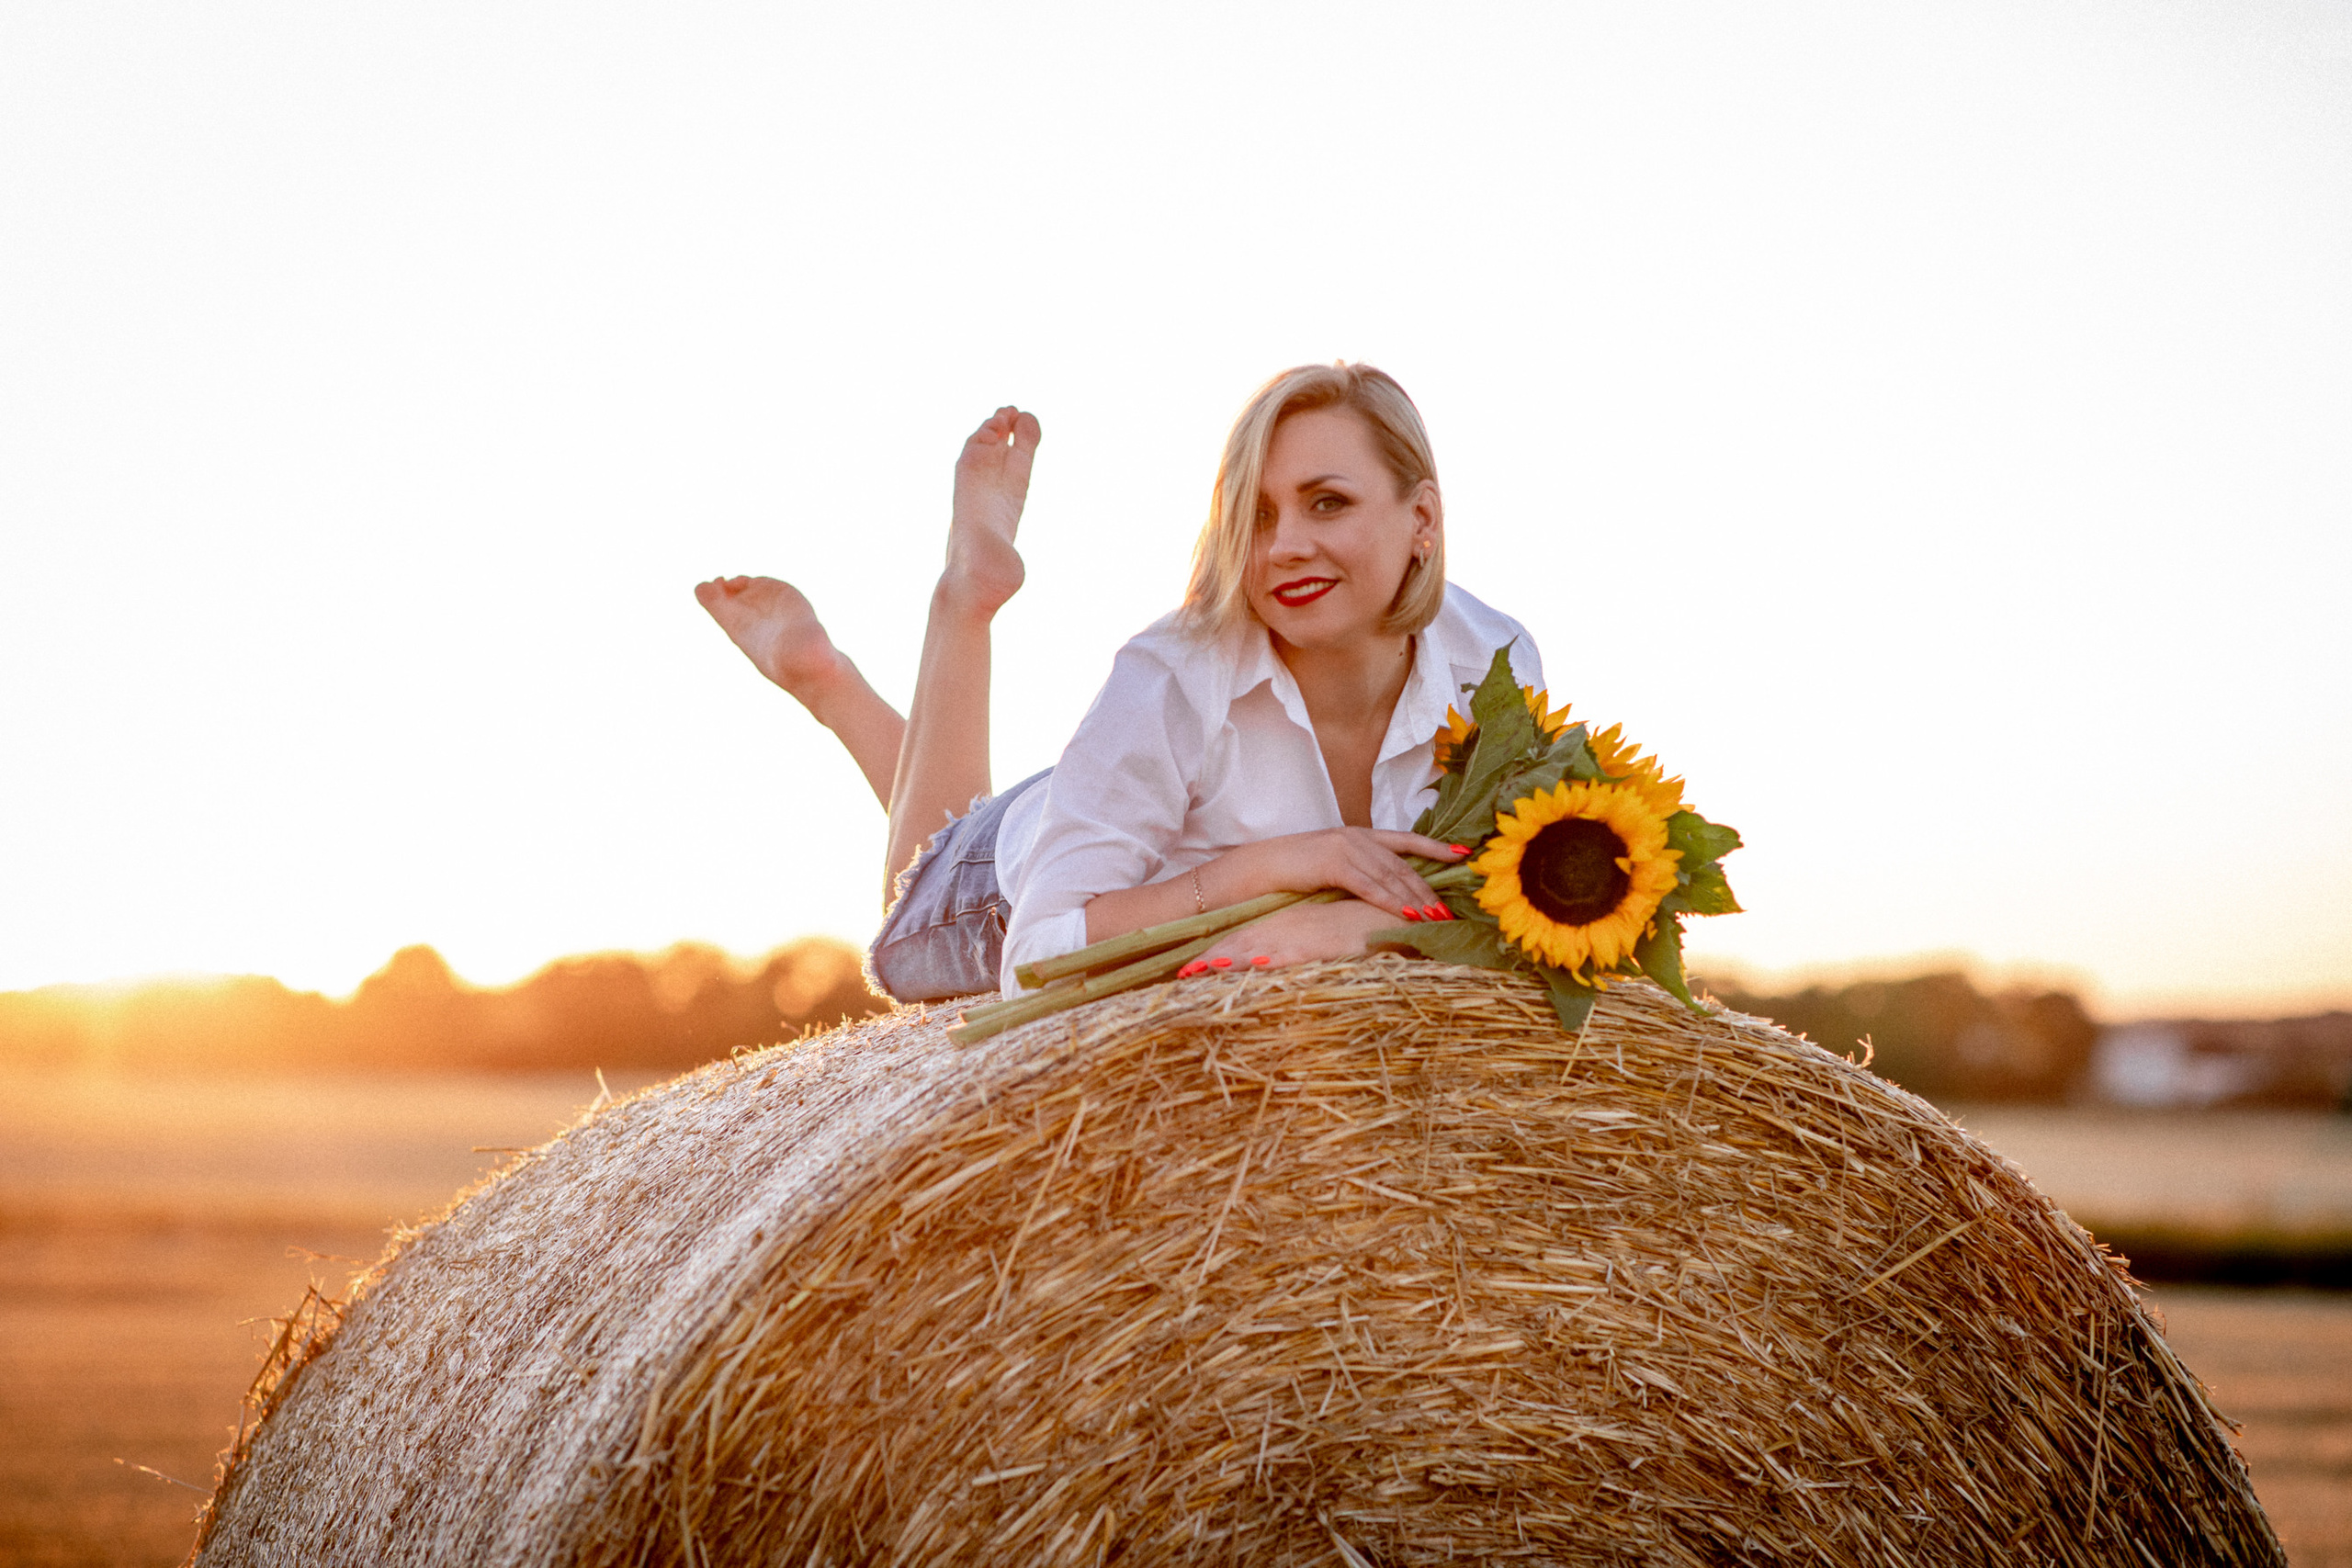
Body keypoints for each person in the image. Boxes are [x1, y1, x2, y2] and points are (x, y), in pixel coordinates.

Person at [697, 365, 1543, 1003]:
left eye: (1327, 503)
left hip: (1121, 806)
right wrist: (1279, 873)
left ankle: (842, 669)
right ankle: (946, 608)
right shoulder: (1173, 673)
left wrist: (1348, 924)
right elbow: (1039, 953)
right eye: (1256, 514)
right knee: (917, 874)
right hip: (1009, 878)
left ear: (1422, 520)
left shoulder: (1493, 662)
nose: (1285, 545)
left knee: (956, 811)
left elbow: (1522, 892)